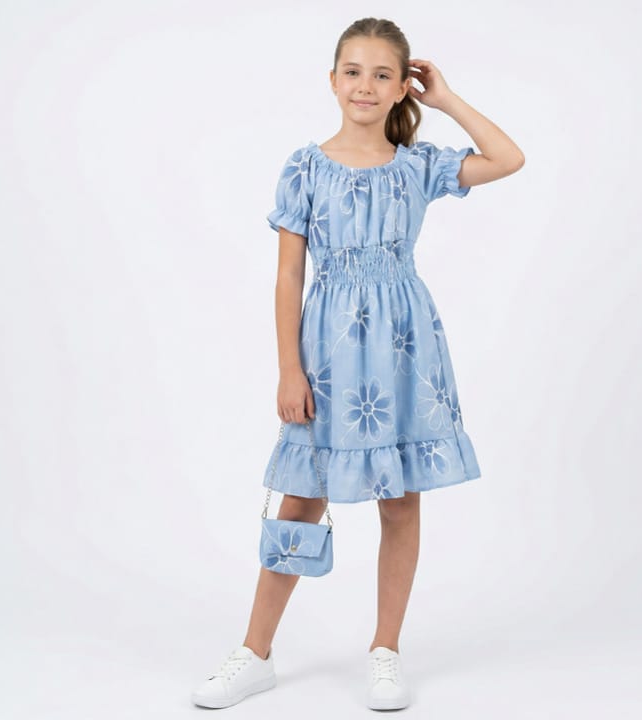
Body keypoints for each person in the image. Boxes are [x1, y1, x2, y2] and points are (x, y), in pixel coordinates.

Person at [191, 15, 524, 712]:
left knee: (400, 501)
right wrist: (289, 370)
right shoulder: (305, 167)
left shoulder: (418, 166)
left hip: (405, 348)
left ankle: (385, 651)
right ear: (332, 80)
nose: (365, 86)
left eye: (382, 74)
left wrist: (447, 100)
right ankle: (255, 652)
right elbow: (288, 276)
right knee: (300, 500)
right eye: (353, 71)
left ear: (403, 86)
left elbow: (507, 157)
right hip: (328, 354)